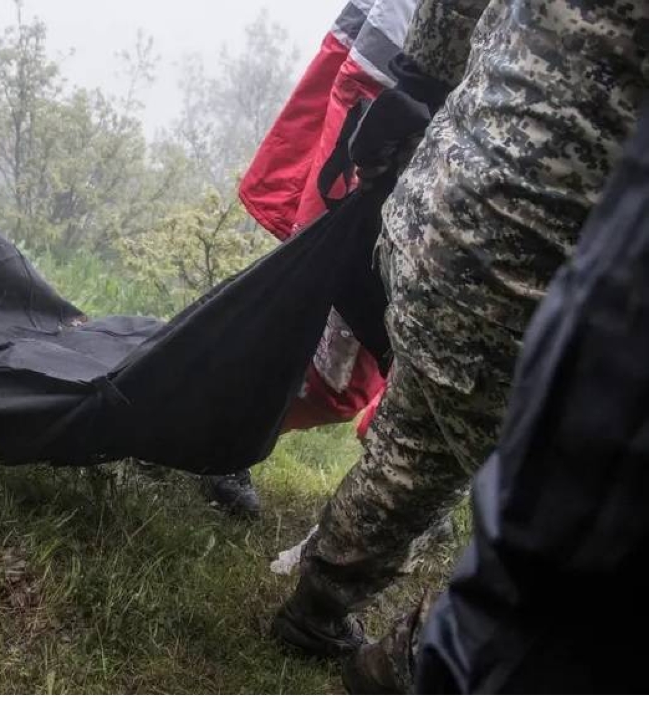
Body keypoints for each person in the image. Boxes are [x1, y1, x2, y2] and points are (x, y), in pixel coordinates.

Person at [269, 0, 649, 690]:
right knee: (573, 517)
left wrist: (418, 82)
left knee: (417, 440)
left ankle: (317, 606)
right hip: (532, 269)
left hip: (433, 212)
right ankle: (419, 659)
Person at [203, 0, 420, 517]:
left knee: (369, 355)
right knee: (322, 324)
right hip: (390, 106)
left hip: (453, 143)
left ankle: (205, 420)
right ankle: (210, 425)